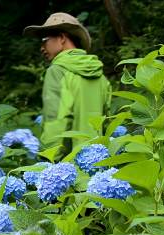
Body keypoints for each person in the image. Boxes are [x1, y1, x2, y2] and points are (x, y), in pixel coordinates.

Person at [24, 12, 111, 154]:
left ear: (62, 38)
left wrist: (49, 157)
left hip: (67, 168)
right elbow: (107, 122)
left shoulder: (57, 71)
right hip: (98, 163)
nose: (41, 47)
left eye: (44, 40)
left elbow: (57, 120)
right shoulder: (101, 76)